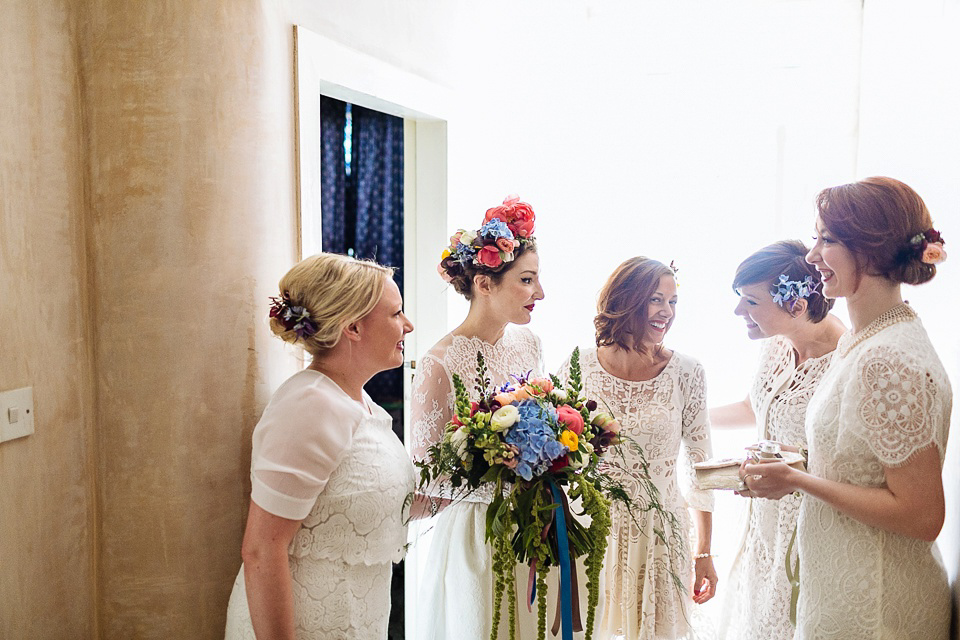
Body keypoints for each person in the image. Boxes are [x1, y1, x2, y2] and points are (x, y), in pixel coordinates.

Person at [742, 177, 951, 639]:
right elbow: (864, 465)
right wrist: (793, 461)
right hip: (843, 591)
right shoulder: (861, 340)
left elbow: (922, 516)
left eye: (826, 240)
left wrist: (796, 479)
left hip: (877, 608)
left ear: (872, 253)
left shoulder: (890, 358)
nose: (812, 256)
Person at [224, 253, 416, 640]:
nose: (407, 325)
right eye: (396, 314)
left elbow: (376, 502)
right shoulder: (310, 404)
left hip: (360, 621)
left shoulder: (360, 402)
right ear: (354, 328)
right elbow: (262, 548)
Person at [410, 195, 553, 640]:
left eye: (538, 279)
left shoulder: (529, 345)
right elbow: (425, 478)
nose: (540, 293)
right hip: (476, 536)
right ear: (485, 283)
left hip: (534, 525)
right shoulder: (439, 363)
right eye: (527, 280)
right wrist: (499, 461)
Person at [559, 256, 717, 640]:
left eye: (673, 301)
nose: (667, 312)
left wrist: (705, 552)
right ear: (627, 300)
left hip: (661, 534)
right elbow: (556, 456)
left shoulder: (687, 372)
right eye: (656, 300)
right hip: (589, 527)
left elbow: (703, 467)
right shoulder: (579, 364)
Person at [709, 240, 845, 640]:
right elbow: (757, 408)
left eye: (750, 301)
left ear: (796, 306)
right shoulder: (775, 346)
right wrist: (688, 418)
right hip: (764, 517)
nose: (739, 311)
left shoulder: (848, 360)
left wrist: (798, 459)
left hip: (813, 524)